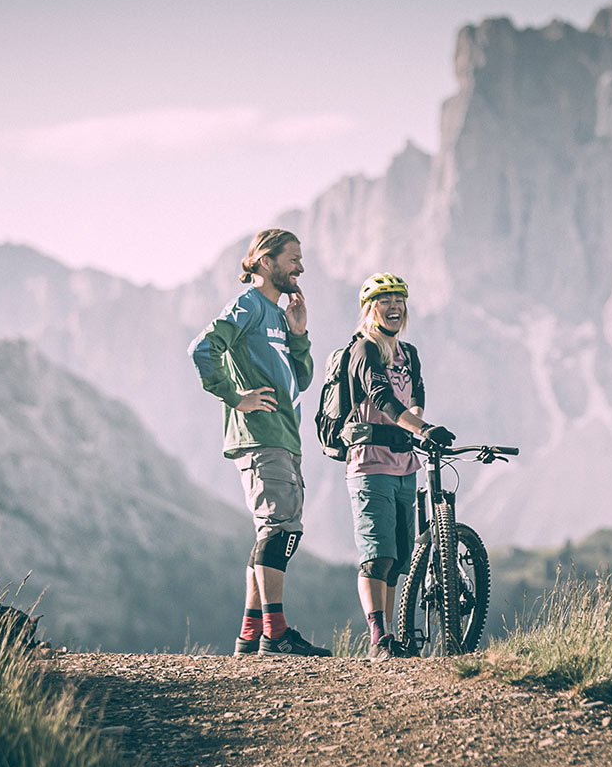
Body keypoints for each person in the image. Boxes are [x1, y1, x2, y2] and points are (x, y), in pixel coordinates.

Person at [188, 228, 330, 658]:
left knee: (274, 529)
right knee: (280, 528)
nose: (301, 268)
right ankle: (276, 634)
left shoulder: (275, 313)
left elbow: (300, 381)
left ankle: (250, 637)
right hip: (260, 437)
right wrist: (236, 397)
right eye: (293, 259)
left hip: (284, 436)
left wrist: (299, 334)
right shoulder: (248, 304)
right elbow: (202, 349)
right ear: (266, 262)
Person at [343, 272, 455, 660]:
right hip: (370, 465)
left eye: (399, 300)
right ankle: (379, 637)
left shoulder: (409, 352)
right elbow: (383, 397)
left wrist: (419, 428)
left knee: (397, 562)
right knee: (378, 556)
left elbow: (416, 394)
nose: (394, 306)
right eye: (384, 300)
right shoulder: (364, 350)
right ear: (369, 308)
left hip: (405, 467)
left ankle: (392, 638)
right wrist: (422, 428)